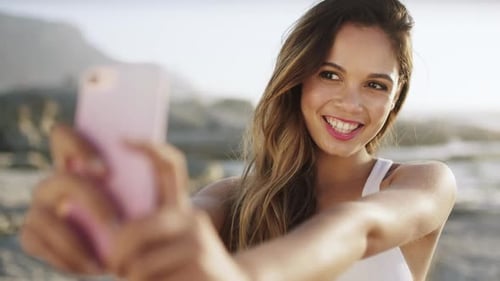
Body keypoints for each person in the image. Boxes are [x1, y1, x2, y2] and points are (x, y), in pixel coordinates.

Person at [20, 0, 457, 280]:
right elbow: (179, 229)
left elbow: (359, 229)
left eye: (376, 85)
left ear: (396, 96)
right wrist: (113, 236)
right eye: (330, 74)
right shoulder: (231, 199)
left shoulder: (421, 183)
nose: (351, 103)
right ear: (297, 80)